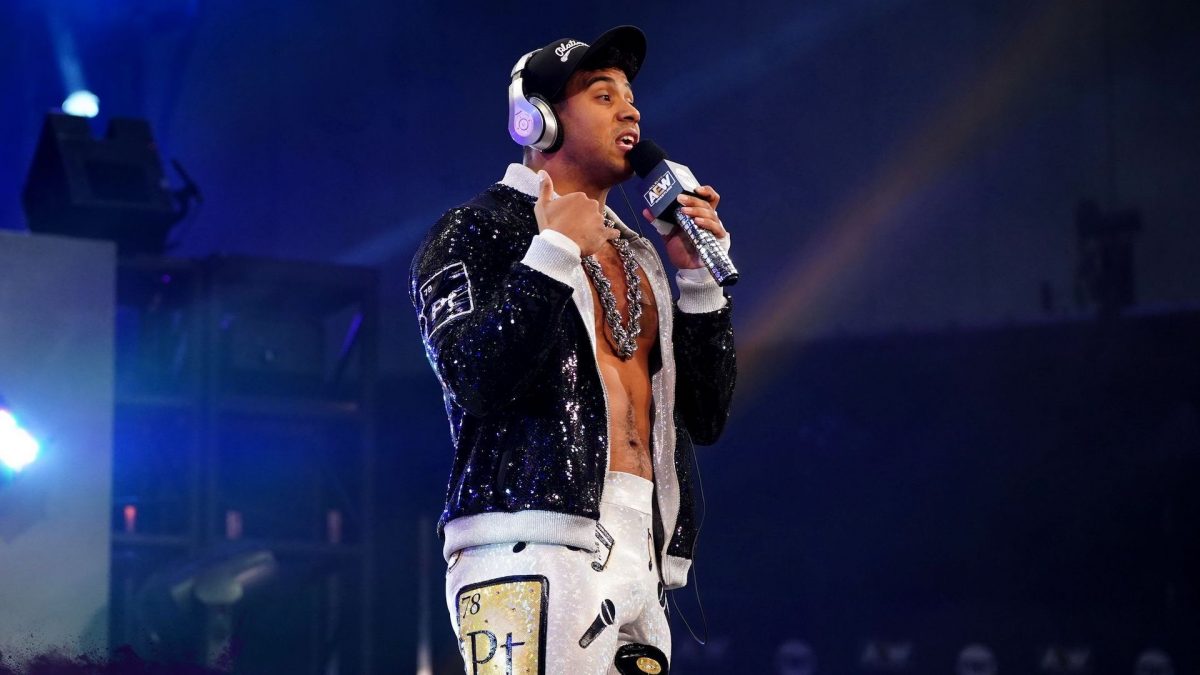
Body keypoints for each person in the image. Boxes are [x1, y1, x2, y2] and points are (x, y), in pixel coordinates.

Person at [409, 25, 736, 674]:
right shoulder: (475, 229)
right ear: (537, 122)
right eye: (602, 95)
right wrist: (554, 252)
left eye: (631, 98)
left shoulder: (640, 255)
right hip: (527, 541)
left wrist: (697, 280)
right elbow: (474, 377)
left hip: (643, 550)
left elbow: (706, 416)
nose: (630, 111)